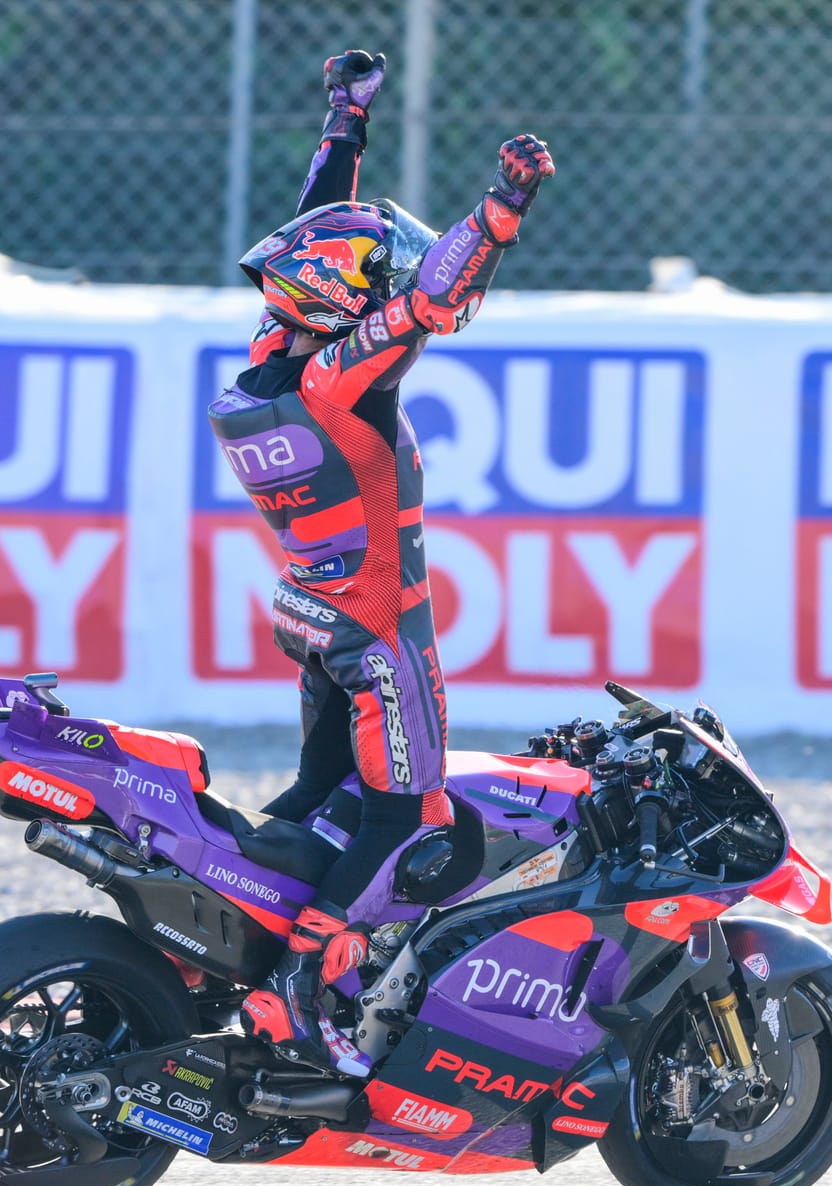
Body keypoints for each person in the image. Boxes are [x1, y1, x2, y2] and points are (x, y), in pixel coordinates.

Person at [210, 49, 554, 1073]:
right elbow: (431, 305)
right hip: (375, 634)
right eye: (374, 279)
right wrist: (499, 210)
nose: (389, 282)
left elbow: (315, 235)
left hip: (308, 616)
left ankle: (230, 933)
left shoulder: (265, 363)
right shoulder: (341, 383)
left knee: (317, 803)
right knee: (408, 822)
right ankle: (302, 994)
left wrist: (343, 127)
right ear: (342, 301)